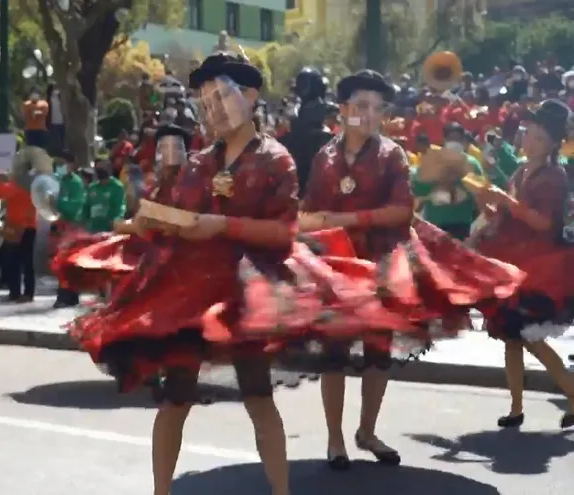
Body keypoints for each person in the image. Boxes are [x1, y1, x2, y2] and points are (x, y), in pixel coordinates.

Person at [67, 53, 447, 495]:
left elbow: (283, 233)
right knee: (174, 399)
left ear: (249, 96)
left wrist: (222, 226)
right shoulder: (199, 163)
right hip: (192, 293)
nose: (212, 109)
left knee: (258, 395)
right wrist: (152, 221)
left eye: (221, 96)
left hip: (249, 293)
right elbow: (185, 218)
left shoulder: (275, 159)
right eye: (205, 101)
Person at [301, 69, 523, 469]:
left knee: (378, 354)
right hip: (334, 267)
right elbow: (310, 211)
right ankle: (335, 440)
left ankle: (366, 431)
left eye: (376, 108)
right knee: (333, 353)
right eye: (360, 106)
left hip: (383, 266)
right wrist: (314, 227)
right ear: (344, 110)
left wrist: (344, 219)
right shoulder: (324, 157)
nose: (368, 115)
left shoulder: (391, 155)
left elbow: (401, 211)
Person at [471, 99, 574, 429]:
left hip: (538, 265)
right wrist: (490, 207)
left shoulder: (554, 177)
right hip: (513, 257)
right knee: (511, 338)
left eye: (539, 137)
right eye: (529, 133)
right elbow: (507, 214)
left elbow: (544, 223)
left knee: (529, 337)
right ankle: (516, 408)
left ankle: (573, 392)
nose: (529, 140)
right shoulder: (520, 170)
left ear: (553, 144)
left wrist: (507, 202)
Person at [53, 124, 189, 299]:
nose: (167, 154)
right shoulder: (154, 188)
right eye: (162, 147)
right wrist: (127, 226)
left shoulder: (196, 181)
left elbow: (188, 220)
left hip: (180, 260)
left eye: (175, 146)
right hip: (148, 253)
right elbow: (143, 220)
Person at [412, 122, 486, 240]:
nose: (454, 142)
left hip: (461, 224)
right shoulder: (432, 161)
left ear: (463, 140)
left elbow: (481, 193)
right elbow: (418, 187)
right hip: (435, 223)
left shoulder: (472, 164)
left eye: (457, 139)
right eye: (451, 138)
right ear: (444, 140)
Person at [0, 167, 37, 303]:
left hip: (20, 227)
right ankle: (20, 292)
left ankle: (20, 293)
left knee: (16, 261)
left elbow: (4, 193)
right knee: (21, 262)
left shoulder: (20, 185)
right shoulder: (30, 184)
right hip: (24, 226)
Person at [52, 151, 86, 308]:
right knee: (60, 262)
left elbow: (75, 206)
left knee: (68, 262)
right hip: (60, 227)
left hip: (72, 227)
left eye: (63, 163)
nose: (60, 167)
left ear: (72, 164)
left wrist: (58, 202)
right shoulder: (55, 180)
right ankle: (68, 295)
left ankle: (66, 296)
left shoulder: (76, 183)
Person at [82, 163, 126, 234]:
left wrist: (117, 220)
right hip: (93, 228)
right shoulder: (92, 188)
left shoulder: (117, 187)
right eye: (100, 180)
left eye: (105, 179)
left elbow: (120, 206)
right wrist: (83, 221)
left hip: (109, 229)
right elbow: (86, 206)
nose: (103, 182)